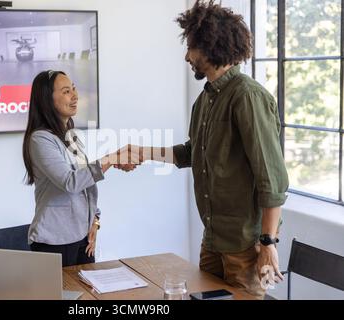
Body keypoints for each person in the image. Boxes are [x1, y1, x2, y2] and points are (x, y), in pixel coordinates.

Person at [131, 1, 289, 299]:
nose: (187, 56)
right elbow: (192, 153)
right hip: (213, 241)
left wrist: (268, 243)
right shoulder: (205, 100)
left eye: (191, 47)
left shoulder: (247, 96)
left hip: (246, 248)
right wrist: (141, 152)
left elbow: (272, 179)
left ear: (210, 45)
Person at [22, 70, 139, 267]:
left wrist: (95, 220)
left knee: (87, 296)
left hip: (82, 238)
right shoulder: (40, 139)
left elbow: (84, 184)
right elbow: (71, 182)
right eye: (66, 91)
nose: (75, 96)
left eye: (74, 89)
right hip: (54, 243)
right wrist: (111, 158)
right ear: (46, 99)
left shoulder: (71, 136)